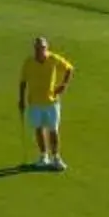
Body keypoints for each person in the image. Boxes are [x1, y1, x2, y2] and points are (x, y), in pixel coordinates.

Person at [17, 36, 74, 170]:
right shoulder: (29, 62)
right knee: (39, 129)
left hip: (51, 102)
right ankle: (43, 157)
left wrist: (64, 85)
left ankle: (56, 158)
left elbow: (69, 69)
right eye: (37, 48)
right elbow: (23, 82)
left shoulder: (53, 59)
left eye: (42, 48)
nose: (40, 51)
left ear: (46, 48)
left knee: (53, 130)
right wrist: (21, 99)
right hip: (34, 103)